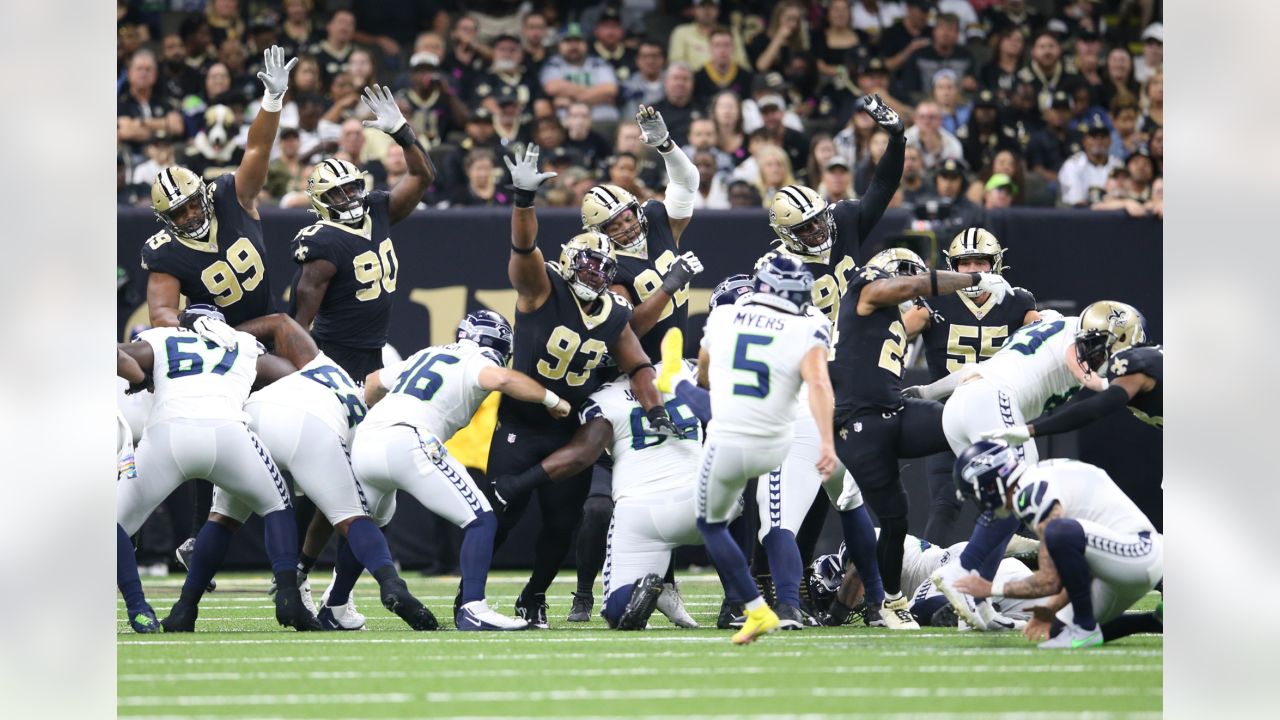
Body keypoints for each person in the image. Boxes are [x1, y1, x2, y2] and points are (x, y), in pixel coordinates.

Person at [515, 106, 702, 622]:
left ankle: (684, 586)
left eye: (625, 214)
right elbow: (628, 330)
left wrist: (666, 146)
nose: (624, 224)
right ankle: (583, 594)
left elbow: (687, 183)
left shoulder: (660, 221)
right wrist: (669, 285)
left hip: (673, 372)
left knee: (695, 479)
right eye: (612, 223)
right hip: (623, 380)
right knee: (602, 501)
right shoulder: (605, 266)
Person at [484, 146, 678, 629]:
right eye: (588, 264)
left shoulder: (615, 311)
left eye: (604, 268)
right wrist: (524, 200)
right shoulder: (543, 287)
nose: (596, 273)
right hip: (520, 423)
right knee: (499, 518)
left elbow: (638, 365)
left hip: (567, 423)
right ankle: (471, 594)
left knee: (560, 524)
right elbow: (524, 250)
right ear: (570, 263)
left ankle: (535, 595)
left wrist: (654, 409)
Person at [195, 312, 437, 632]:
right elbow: (337, 514)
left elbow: (280, 322)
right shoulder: (361, 410)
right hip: (316, 429)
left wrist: (223, 338)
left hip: (249, 417)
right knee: (354, 518)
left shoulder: (306, 362)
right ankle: (388, 586)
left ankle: (186, 606)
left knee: (227, 516)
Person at [286, 84, 436, 593]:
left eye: (353, 189)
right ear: (320, 205)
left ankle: (312, 573)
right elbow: (296, 321)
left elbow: (423, 175)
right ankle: (295, 569)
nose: (350, 199)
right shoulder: (323, 245)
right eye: (339, 195)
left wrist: (400, 130)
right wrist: (301, 377)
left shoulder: (375, 209)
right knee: (335, 480)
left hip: (371, 358)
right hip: (333, 364)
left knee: (358, 482)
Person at [920, 303, 1144, 631]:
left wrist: (929, 390)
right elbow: (1073, 353)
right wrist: (1104, 387)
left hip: (962, 403)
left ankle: (978, 597)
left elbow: (974, 370)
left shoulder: (1055, 324)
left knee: (1006, 507)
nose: (1100, 357)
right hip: (994, 400)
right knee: (1022, 490)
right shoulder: (1072, 337)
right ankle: (960, 572)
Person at [828, 246, 1014, 629]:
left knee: (970, 427)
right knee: (896, 520)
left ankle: (996, 509)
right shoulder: (865, 286)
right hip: (861, 424)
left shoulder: (890, 316)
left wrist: (928, 392)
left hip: (894, 411)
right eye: (906, 278)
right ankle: (891, 602)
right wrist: (974, 279)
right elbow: (913, 284)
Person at [354, 311, 573, 631]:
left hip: (367, 439)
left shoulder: (427, 352)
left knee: (363, 522)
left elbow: (373, 382)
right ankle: (473, 607)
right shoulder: (478, 361)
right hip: (408, 438)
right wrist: (552, 400)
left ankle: (336, 604)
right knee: (482, 519)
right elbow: (504, 379)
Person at [115, 305, 319, 632]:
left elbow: (116, 356)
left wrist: (142, 379)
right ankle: (287, 594)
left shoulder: (166, 338)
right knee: (277, 504)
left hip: (168, 434)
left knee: (111, 525)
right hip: (229, 434)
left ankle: (139, 608)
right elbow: (294, 376)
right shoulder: (241, 343)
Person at [693, 255, 836, 644]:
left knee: (716, 523)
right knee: (809, 515)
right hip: (783, 433)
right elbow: (820, 384)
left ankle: (762, 605)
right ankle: (875, 600)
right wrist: (828, 439)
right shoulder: (810, 323)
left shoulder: (725, 318)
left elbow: (704, 372)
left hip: (736, 432)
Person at [950, 442, 1163, 648]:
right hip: (1116, 566)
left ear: (989, 485)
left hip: (1139, 554)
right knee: (1057, 631)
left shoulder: (1030, 492)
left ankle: (1084, 628)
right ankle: (1158, 621)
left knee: (1059, 532)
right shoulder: (1036, 478)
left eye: (976, 494)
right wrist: (1051, 609)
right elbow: (1076, 571)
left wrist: (990, 589)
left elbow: (1049, 581)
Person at [902, 228, 1039, 544]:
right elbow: (893, 336)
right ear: (953, 266)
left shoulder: (1018, 302)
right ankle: (926, 580)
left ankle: (1028, 580)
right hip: (949, 415)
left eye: (981, 261)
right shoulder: (934, 303)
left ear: (996, 264)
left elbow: (1047, 336)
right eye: (966, 263)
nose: (974, 269)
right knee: (944, 504)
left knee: (1018, 508)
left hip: (998, 417)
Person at [143, 46, 295, 330]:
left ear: (203, 194)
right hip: (215, 342)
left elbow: (257, 149)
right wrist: (191, 322)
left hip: (266, 324)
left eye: (192, 204)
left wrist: (272, 99)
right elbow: (160, 312)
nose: (189, 215)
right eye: (178, 213)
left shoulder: (229, 196)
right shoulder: (165, 251)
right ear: (165, 219)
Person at [981, 301, 1160, 444]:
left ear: (1123, 338)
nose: (1089, 354)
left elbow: (1096, 409)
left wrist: (1029, 430)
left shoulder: (1135, 362)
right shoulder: (1148, 361)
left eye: (1094, 345)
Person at [540, 23, 619, 124]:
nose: (573, 45)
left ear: (586, 43)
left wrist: (570, 100)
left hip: (602, 122)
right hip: (566, 123)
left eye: (578, 41)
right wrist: (599, 98)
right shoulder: (553, 64)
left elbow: (610, 89)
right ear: (559, 44)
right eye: (568, 41)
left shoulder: (599, 63)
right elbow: (552, 87)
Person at [1058, 116, 1121, 207]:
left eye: (1103, 137)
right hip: (1080, 217)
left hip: (1112, 216)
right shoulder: (1072, 165)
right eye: (1093, 137)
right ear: (1084, 141)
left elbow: (1122, 197)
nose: (1098, 141)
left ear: (1110, 141)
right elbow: (1076, 203)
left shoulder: (1117, 165)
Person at [693, 28, 753, 110]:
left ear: (733, 48)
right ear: (710, 48)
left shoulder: (745, 76)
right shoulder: (698, 77)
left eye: (726, 45)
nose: (722, 50)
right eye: (717, 45)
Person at [905, 101, 964, 171]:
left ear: (940, 119)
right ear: (915, 119)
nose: (926, 122)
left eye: (931, 117)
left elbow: (956, 168)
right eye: (922, 117)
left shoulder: (951, 143)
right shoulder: (905, 138)